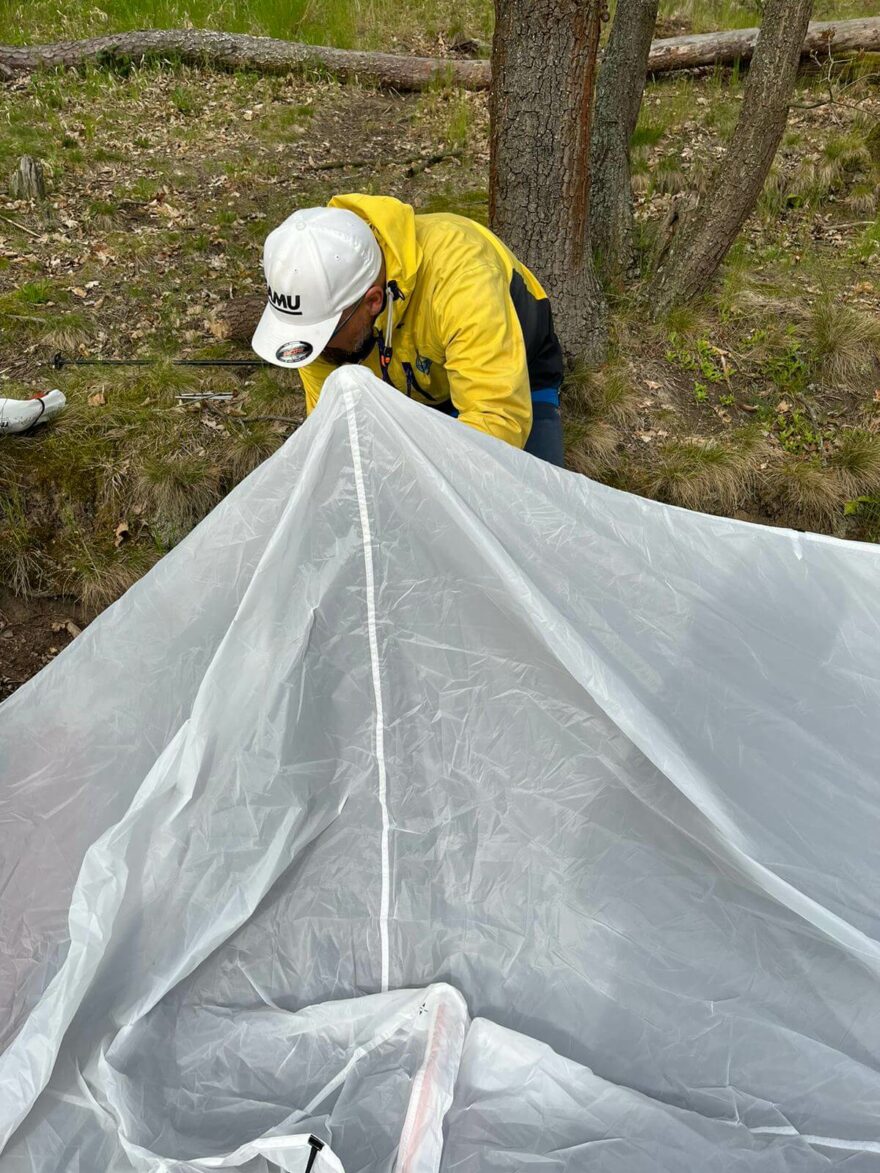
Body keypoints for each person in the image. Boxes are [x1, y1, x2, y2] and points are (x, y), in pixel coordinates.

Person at [251, 194, 565, 466]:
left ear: (372, 301)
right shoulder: (323, 317)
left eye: (324, 336)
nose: (317, 354)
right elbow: (333, 430)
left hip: (515, 370)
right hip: (410, 376)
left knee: (528, 504)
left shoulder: (463, 279)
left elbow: (496, 418)